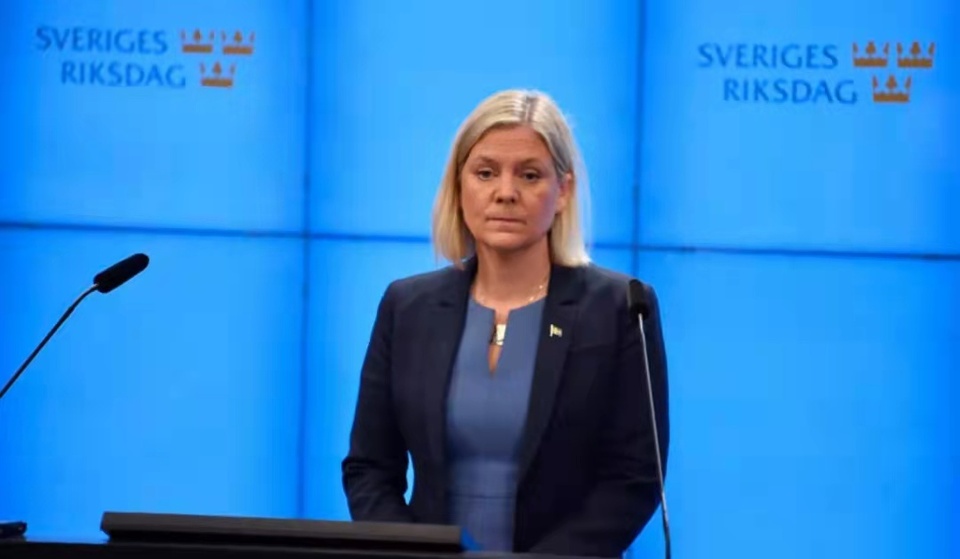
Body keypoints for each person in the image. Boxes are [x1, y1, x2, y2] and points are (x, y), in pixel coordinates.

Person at [341, 89, 669, 558]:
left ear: (563, 191)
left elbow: (634, 478)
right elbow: (369, 468)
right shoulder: (407, 306)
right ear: (459, 186)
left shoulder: (620, 308)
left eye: (530, 175)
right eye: (486, 173)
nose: (505, 192)